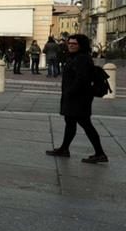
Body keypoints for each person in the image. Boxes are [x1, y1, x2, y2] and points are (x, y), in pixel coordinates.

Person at [46, 34, 107, 163]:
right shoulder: (75, 57)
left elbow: (82, 79)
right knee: (70, 123)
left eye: (74, 44)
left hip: (79, 98)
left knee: (86, 125)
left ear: (81, 45)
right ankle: (64, 148)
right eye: (70, 43)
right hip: (75, 96)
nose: (71, 45)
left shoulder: (82, 59)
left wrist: (70, 92)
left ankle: (100, 153)